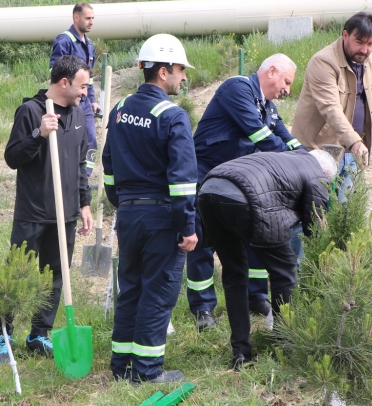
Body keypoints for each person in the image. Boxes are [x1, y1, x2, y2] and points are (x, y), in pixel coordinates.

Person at [102, 34, 198, 384]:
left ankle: (122, 366)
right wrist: (187, 226)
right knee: (158, 293)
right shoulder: (172, 116)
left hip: (128, 214)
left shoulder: (119, 109)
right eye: (180, 70)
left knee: (130, 289)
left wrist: (122, 203)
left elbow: (108, 165)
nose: (183, 77)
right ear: (162, 71)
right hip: (161, 218)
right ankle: (147, 371)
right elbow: (183, 182)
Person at [188, 54, 303, 332]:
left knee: (255, 235)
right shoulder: (237, 89)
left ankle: (256, 296)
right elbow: (260, 136)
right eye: (286, 82)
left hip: (239, 182)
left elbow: (286, 138)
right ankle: (203, 307)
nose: (287, 90)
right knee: (204, 242)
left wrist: (307, 159)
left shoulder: (268, 106)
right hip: (207, 177)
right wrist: (294, 163)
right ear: (272, 71)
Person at [198, 149, 335, 369]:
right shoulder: (317, 174)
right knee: (285, 273)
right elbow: (315, 227)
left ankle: (241, 354)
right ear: (326, 173)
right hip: (245, 197)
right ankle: (284, 347)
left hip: (208, 191)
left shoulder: (290, 158)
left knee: (234, 274)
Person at [0, 55, 94, 360]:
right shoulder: (31, 111)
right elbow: (12, 157)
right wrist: (38, 134)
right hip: (33, 212)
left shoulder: (78, 115)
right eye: (82, 86)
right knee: (18, 274)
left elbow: (80, 164)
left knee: (55, 276)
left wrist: (85, 203)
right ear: (64, 82)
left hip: (66, 213)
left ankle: (39, 334)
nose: (85, 93)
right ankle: (3, 334)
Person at [293, 12, 372, 168]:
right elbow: (330, 108)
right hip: (318, 152)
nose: (364, 49)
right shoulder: (323, 62)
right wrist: (354, 141)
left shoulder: (368, 59)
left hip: (351, 150)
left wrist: (358, 143)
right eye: (359, 42)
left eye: (370, 44)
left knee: (350, 185)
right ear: (345, 35)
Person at [50, 3, 98, 177]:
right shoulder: (64, 41)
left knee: (91, 139)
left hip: (85, 101)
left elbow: (88, 79)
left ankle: (84, 178)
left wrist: (92, 100)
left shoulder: (89, 44)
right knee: (70, 140)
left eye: (93, 18)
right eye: (88, 18)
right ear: (76, 17)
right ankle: (67, 177)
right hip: (69, 100)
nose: (91, 22)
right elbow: (54, 72)